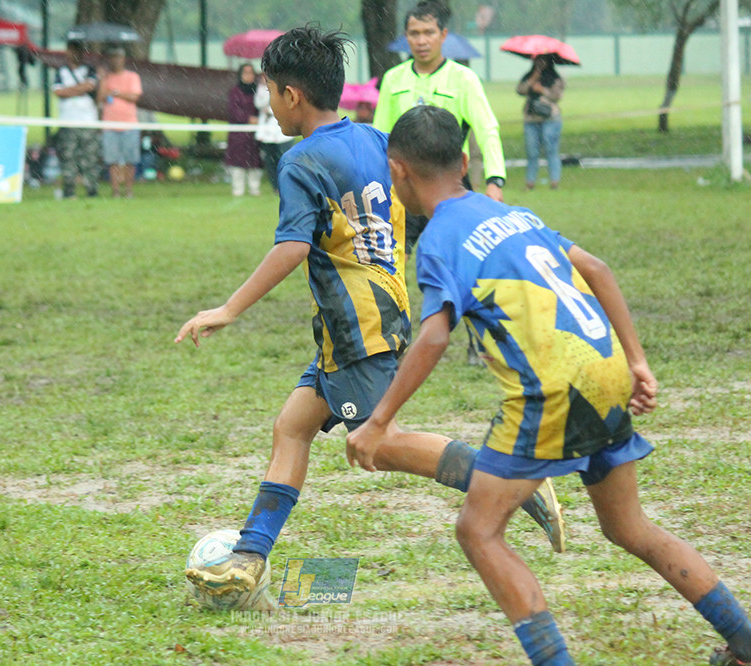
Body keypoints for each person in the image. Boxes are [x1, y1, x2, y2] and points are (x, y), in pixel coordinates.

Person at [347, 105, 751, 666]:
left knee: (479, 531)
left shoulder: (440, 241)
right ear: (465, 160)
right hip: (605, 371)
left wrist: (379, 420)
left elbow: (434, 338)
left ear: (397, 172)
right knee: (629, 526)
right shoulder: (517, 215)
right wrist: (637, 361)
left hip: (552, 391)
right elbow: (600, 270)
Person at [177, 26, 564, 610]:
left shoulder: (301, 159)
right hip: (366, 320)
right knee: (292, 427)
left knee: (377, 444)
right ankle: (251, 558)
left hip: (357, 328)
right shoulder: (373, 138)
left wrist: (230, 308)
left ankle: (514, 477)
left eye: (268, 92)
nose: (265, 103)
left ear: (292, 96)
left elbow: (293, 247)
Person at [374, 0, 507, 367]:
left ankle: (479, 343)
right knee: (390, 264)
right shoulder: (393, 80)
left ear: (444, 36)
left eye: (429, 32)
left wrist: (495, 180)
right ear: (406, 36)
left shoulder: (463, 79)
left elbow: (487, 129)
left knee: (463, 265)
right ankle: (390, 344)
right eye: (414, 33)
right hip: (402, 191)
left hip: (449, 192)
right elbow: (380, 138)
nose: (421, 40)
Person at [53, 40, 101, 199]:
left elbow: (90, 86)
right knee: (68, 158)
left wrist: (70, 91)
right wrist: (79, 90)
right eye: (69, 51)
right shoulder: (61, 72)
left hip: (88, 121)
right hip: (68, 122)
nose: (71, 54)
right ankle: (69, 192)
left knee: (90, 158)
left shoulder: (89, 69)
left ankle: (92, 191)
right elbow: (58, 92)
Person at [97, 46, 142, 198]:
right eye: (113, 57)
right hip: (109, 124)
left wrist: (116, 93)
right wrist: (102, 80)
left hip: (129, 123)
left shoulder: (132, 76)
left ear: (123, 59)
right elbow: (100, 98)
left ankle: (129, 190)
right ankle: (115, 190)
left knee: (130, 160)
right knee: (112, 160)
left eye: (118, 57)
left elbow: (134, 97)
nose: (115, 61)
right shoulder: (106, 78)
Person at [517, 55, 565, 190]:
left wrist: (542, 90)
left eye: (543, 60)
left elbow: (558, 96)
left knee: (551, 150)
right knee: (532, 152)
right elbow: (520, 90)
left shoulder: (554, 77)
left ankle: (555, 182)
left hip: (550, 118)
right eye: (537, 60)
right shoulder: (529, 75)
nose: (540, 63)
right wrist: (534, 77)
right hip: (531, 119)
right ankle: (530, 183)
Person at [224, 63, 263, 197]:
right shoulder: (235, 91)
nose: (248, 76)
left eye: (251, 73)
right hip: (238, 133)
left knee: (255, 161)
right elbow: (234, 110)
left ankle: (254, 189)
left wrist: (259, 119)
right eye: (245, 73)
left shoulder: (259, 90)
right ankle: (238, 190)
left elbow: (263, 106)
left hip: (255, 132)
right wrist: (248, 118)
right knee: (238, 162)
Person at [253, 81, 293, 193]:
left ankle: (287, 184)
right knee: (270, 160)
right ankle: (275, 186)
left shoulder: (286, 86)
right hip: (267, 130)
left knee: (284, 159)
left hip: (281, 130)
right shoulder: (261, 87)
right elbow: (258, 103)